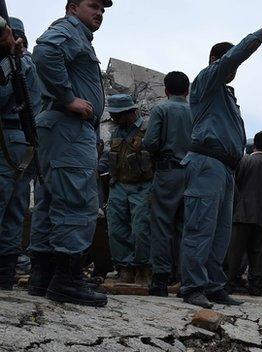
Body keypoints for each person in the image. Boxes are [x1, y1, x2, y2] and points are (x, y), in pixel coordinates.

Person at [179, 5, 262, 309]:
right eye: (229, 63)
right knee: (200, 228)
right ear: (217, 61)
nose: (234, 69)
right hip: (206, 164)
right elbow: (234, 56)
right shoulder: (206, 82)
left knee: (219, 232)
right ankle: (192, 287)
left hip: (225, 169)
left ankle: (213, 285)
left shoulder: (226, 95)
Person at [28, 0, 112, 307]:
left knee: (51, 200)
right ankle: (67, 281)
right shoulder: (68, 31)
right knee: (77, 200)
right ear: (72, 7)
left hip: (59, 127)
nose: (99, 13)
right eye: (93, 6)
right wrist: (68, 99)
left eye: (103, 10)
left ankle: (43, 277)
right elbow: (45, 53)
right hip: (68, 126)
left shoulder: (78, 36)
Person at [0, 17, 42, 290]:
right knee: (14, 207)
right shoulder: (24, 62)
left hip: (9, 139)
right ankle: (4, 272)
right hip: (20, 142)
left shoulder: (14, 63)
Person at [144, 71, 192, 297]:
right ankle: (185, 280)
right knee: (186, 227)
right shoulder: (196, 111)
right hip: (191, 174)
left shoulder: (161, 109)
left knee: (162, 224)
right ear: (188, 90)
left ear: (165, 90)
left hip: (167, 172)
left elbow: (150, 142)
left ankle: (161, 279)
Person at [100, 94, 154, 287]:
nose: (114, 119)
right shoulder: (116, 132)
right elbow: (109, 156)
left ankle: (143, 269)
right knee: (116, 228)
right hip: (119, 186)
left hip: (142, 186)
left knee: (141, 229)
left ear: (131, 113)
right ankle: (124, 268)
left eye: (118, 115)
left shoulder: (147, 129)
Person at [226, 130, 262, 295]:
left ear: (254, 144)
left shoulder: (243, 161)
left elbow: (235, 183)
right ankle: (256, 286)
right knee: (258, 253)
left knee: (235, 251)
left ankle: (229, 282)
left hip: (241, 213)